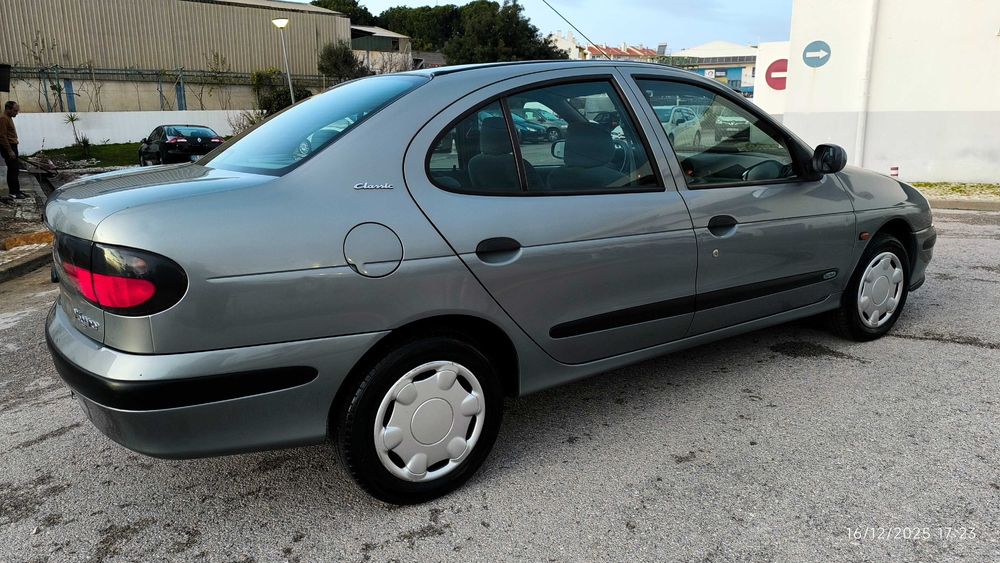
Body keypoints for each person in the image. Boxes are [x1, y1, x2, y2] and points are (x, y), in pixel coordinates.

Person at [1, 101, 25, 199]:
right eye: (15, 110)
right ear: (8, 109)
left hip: (12, 146)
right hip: (8, 147)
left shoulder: (9, 118)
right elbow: (2, 136)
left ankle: (17, 190)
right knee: (12, 169)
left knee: (15, 169)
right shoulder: (3, 118)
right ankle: (13, 192)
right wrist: (10, 150)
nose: (17, 113)